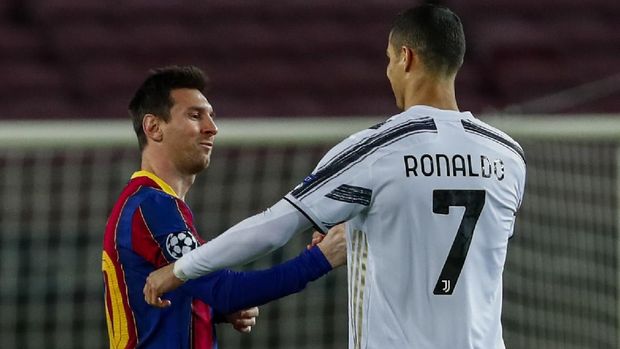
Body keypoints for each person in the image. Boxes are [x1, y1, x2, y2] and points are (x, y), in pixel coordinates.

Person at [144, 5, 526, 349]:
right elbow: (445, 238)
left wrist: (179, 270)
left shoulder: (379, 149)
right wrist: (362, 229)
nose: (389, 71)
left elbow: (274, 226)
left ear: (406, 58)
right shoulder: (508, 156)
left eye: (389, 59)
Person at [102, 65, 347, 349]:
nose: (212, 128)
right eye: (195, 116)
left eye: (211, 117)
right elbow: (227, 291)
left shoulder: (153, 205)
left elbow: (163, 297)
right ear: (154, 127)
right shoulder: (152, 206)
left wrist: (211, 311)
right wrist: (321, 258)